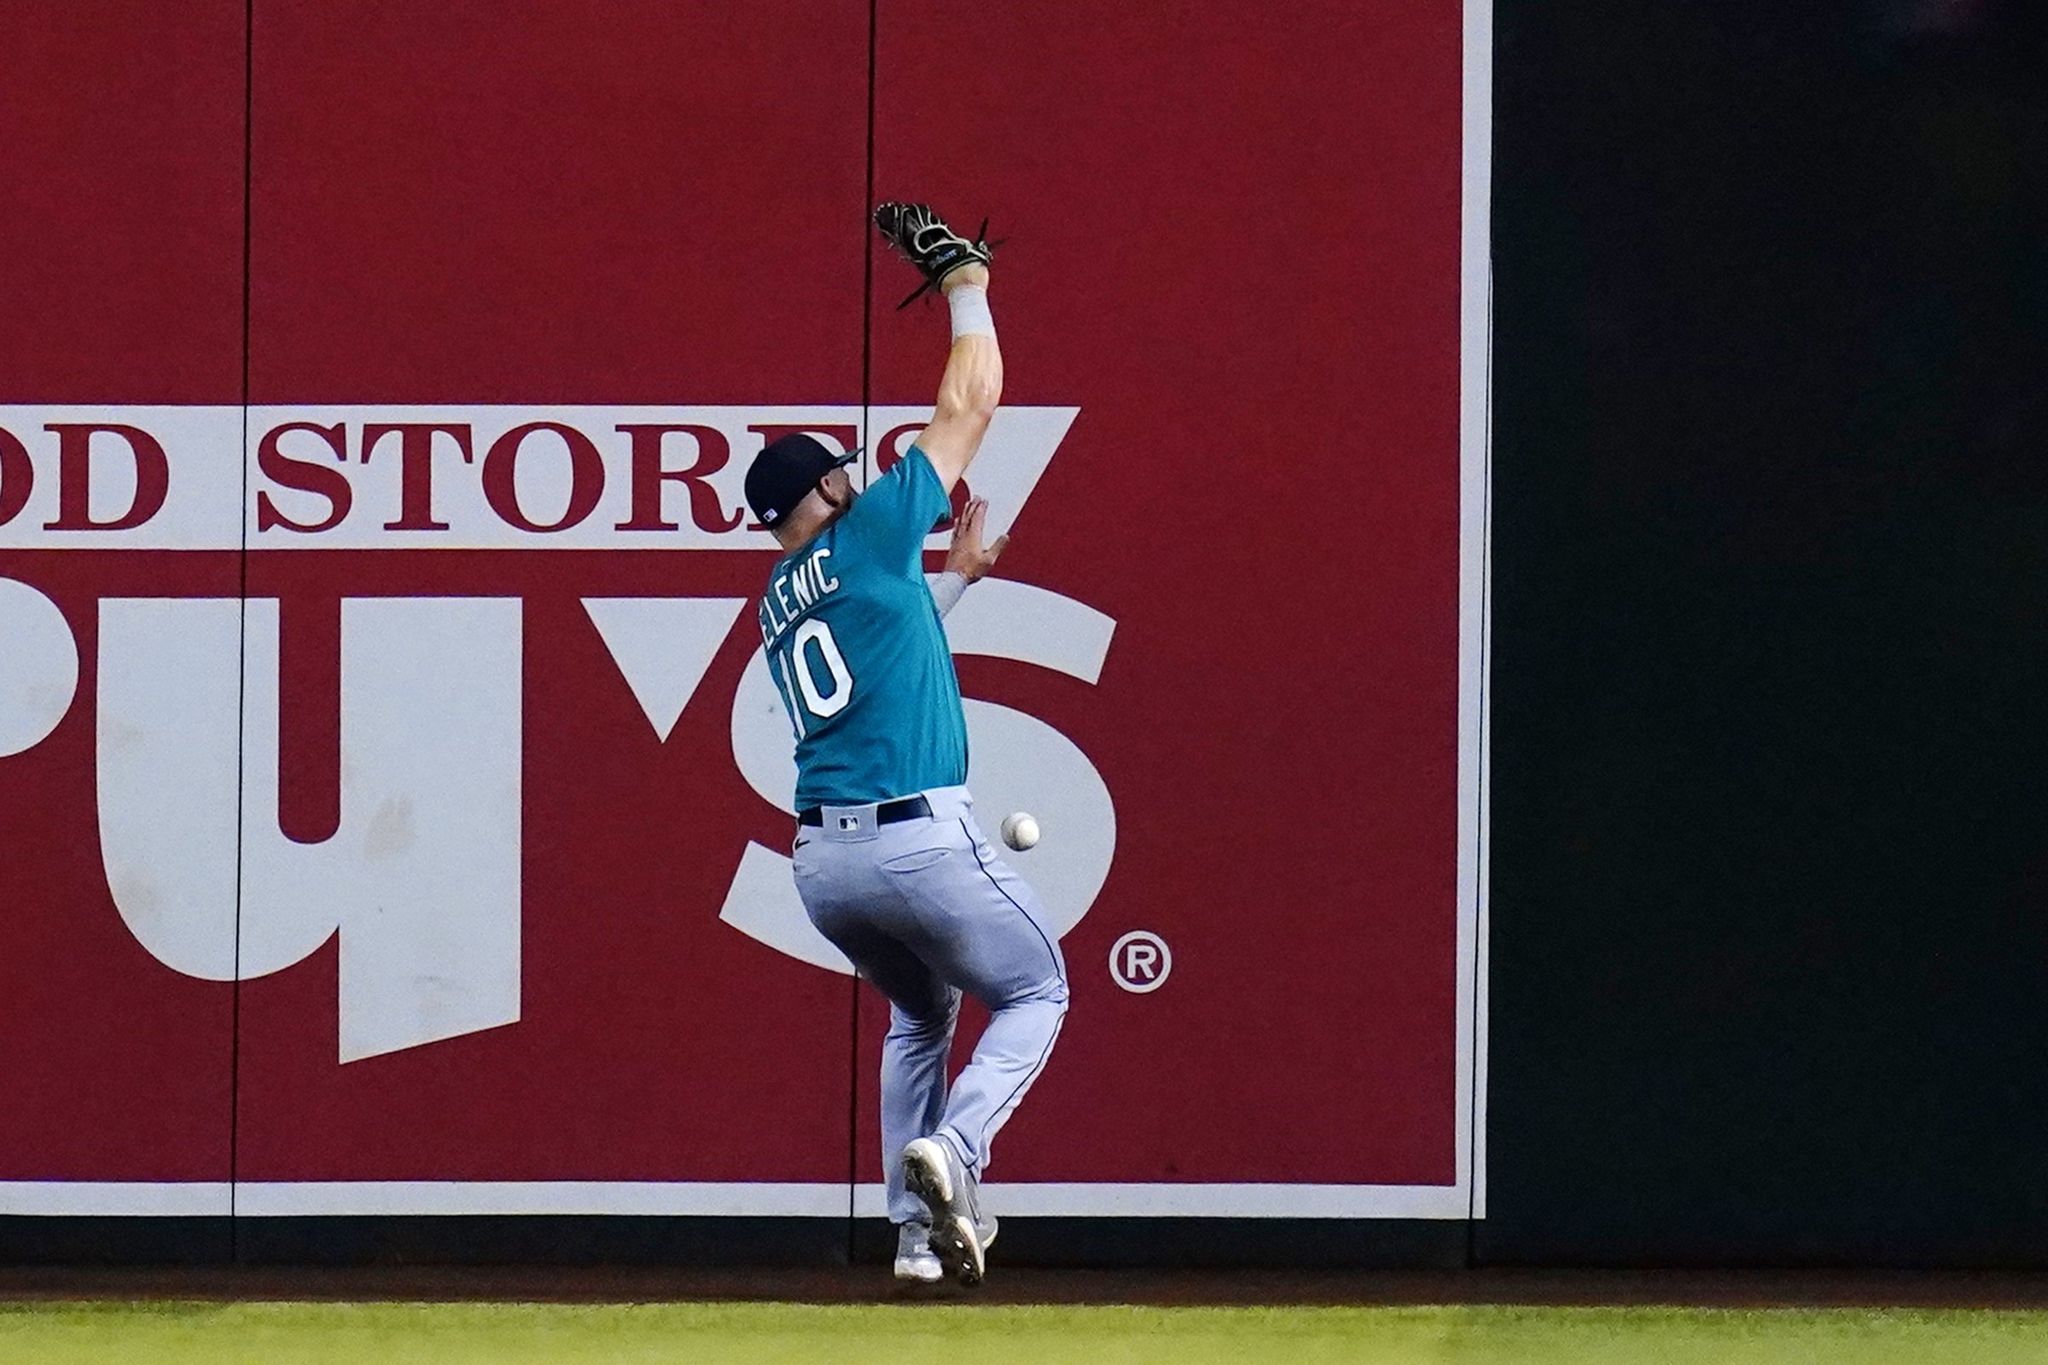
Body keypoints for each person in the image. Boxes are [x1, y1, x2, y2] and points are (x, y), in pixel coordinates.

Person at [742, 203, 1067, 1287]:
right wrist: (967, 282)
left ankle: (916, 1240)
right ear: (823, 495)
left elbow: (880, 655)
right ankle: (957, 1155)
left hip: (822, 867)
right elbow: (970, 396)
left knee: (919, 1015)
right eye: (838, 471)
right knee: (1036, 992)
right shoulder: (871, 529)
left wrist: (957, 582)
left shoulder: (780, 595)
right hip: (916, 841)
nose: (853, 476)